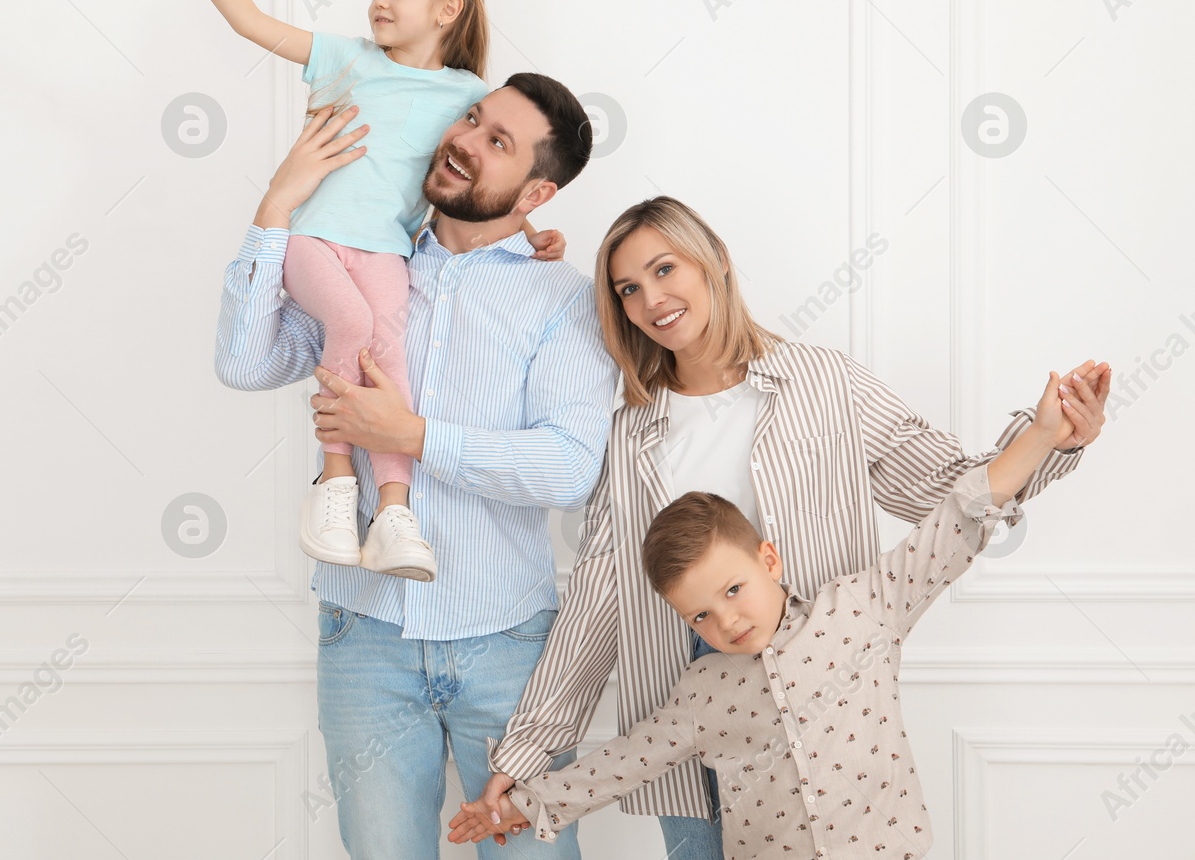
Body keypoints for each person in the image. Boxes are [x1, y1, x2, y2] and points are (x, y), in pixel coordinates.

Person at [475, 196, 1110, 857]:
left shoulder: (824, 382)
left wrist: (1052, 439)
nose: (650, 300)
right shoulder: (630, 432)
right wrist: (529, 748)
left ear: (715, 260)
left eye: (665, 269)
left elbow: (953, 493)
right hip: (688, 707)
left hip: (826, 710)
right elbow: (599, 601)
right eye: (628, 288)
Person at [213, 78, 619, 858]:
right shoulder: (359, 262)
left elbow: (569, 467)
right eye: (472, 117)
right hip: (364, 636)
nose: (466, 139)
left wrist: (414, 434)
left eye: (498, 141)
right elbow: (241, 360)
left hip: (507, 644)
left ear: (536, 192)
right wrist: (276, 206)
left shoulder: (561, 299)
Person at [184, 0, 553, 581]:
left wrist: (531, 233)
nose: (378, 1)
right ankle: (333, 482)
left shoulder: (469, 96)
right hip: (314, 241)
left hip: (386, 251)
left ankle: (392, 509)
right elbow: (252, 23)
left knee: (392, 358)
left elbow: (489, 172)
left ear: (448, 8)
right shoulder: (348, 59)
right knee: (349, 322)